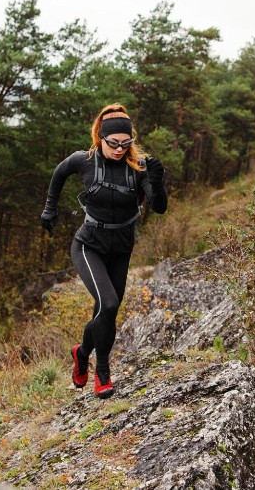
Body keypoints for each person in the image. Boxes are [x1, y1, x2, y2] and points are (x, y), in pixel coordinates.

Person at [40, 104, 167, 398]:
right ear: (100, 137)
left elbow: (158, 207)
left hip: (121, 248)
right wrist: (49, 209)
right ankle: (103, 372)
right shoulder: (84, 161)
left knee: (105, 311)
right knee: (108, 305)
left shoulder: (139, 168)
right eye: (114, 143)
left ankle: (82, 353)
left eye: (126, 143)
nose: (120, 149)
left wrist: (157, 183)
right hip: (88, 246)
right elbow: (59, 174)